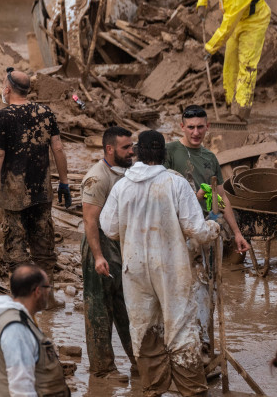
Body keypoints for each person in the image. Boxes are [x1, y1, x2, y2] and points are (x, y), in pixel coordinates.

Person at [100, 130, 220, 397]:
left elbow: (108, 227)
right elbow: (196, 230)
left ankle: (153, 389)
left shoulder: (122, 185)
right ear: (163, 154)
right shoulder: (175, 183)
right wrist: (213, 225)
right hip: (171, 268)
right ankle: (192, 391)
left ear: (137, 153)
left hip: (135, 270)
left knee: (143, 328)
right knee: (180, 328)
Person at [164, 104, 251, 367]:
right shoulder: (170, 152)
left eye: (200, 127)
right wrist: (196, 197)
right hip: (177, 232)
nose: (196, 132)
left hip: (206, 229)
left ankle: (203, 347)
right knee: (179, 291)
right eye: (190, 127)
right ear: (182, 126)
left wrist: (236, 233)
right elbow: (163, 194)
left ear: (208, 127)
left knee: (206, 288)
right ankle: (179, 350)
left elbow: (221, 196)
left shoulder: (209, 158)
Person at [0, 67, 69, 306]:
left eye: (3, 84)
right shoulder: (45, 112)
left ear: (8, 89)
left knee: (16, 249)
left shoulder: (3, 117)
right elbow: (59, 148)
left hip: (14, 194)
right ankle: (47, 299)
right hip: (42, 192)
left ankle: (22, 302)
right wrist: (64, 183)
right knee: (44, 248)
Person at [81, 126, 136, 378]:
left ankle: (138, 360)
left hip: (120, 242)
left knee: (127, 303)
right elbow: (90, 221)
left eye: (132, 146)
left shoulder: (128, 172)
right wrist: (98, 256)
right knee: (99, 306)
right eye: (126, 147)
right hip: (100, 243)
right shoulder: (98, 178)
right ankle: (102, 368)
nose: (131, 151)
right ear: (109, 149)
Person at [196, 0, 271, 122]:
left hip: (254, 21)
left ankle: (241, 112)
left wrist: (210, 47)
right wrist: (202, 3)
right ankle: (231, 106)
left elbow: (227, 25)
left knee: (247, 65)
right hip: (236, 19)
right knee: (230, 63)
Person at [0, 263, 71, 397]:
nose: (49, 291)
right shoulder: (16, 329)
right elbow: (21, 388)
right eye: (48, 287)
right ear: (37, 291)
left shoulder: (20, 319)